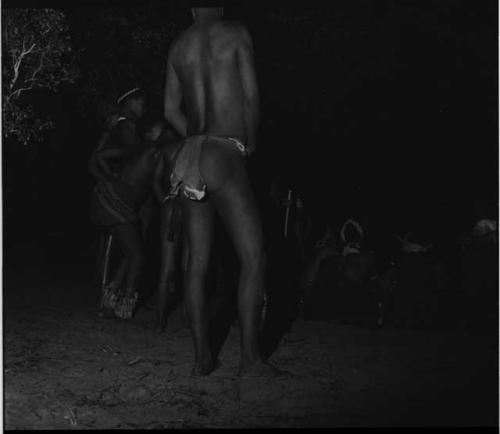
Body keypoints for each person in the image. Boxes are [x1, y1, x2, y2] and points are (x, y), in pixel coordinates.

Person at [158, 6, 280, 377]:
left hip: (190, 153)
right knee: (254, 256)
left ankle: (202, 359)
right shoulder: (236, 32)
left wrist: (196, 135)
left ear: (191, 7)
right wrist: (249, 142)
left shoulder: (179, 46)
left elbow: (169, 110)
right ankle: (250, 360)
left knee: (196, 263)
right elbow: (251, 98)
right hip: (225, 151)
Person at [89, 89, 162, 319]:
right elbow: (95, 160)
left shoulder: (121, 128)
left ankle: (111, 296)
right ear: (129, 103)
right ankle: (119, 301)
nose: (143, 108)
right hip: (116, 200)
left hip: (122, 199)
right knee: (130, 252)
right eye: (140, 103)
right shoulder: (124, 126)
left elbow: (101, 158)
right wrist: (110, 181)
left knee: (130, 250)